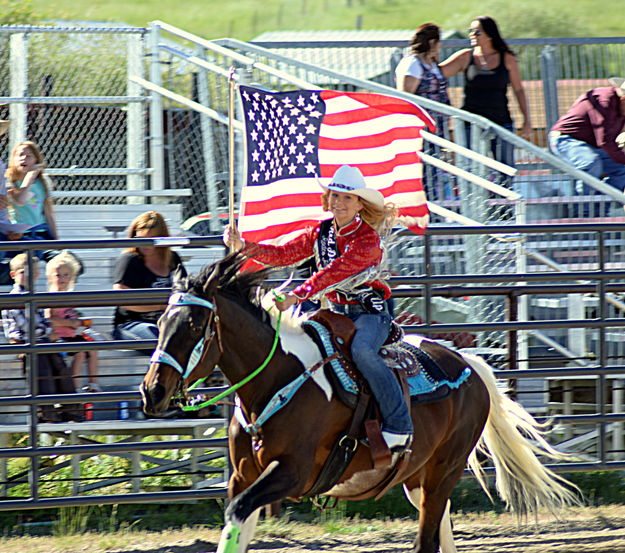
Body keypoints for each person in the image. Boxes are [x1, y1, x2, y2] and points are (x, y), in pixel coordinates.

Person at [224, 165, 413, 453]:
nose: (338, 202)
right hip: (334, 311)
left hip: (369, 314)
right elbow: (284, 254)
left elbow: (334, 273)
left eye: (347, 198)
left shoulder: (367, 241)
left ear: (360, 204)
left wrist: (296, 296)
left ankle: (399, 424)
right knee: (301, 348)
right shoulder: (320, 232)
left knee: (362, 351)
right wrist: (246, 247)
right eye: (335, 196)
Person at [439, 16, 531, 175]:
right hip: (471, 124)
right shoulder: (465, 57)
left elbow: (518, 90)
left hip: (501, 123)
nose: (472, 35)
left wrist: (527, 120)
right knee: (471, 170)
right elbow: (438, 73)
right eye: (470, 31)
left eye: (476, 31)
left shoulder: (507, 59)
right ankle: (475, 200)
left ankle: (504, 200)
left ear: (489, 34)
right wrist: (426, 55)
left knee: (505, 171)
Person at [1, 253, 78, 422]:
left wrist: (48, 332)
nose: (28, 275)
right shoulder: (16, 297)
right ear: (13, 275)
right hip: (24, 342)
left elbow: (40, 321)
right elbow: (28, 326)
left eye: (32, 272)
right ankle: (46, 412)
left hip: (40, 340)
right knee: (42, 368)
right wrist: (48, 331)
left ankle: (70, 409)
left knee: (59, 367)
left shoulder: (32, 295)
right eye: (23, 272)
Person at [112, 210, 187, 351]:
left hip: (169, 320)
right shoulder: (129, 259)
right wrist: (160, 306)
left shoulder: (172, 258)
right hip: (131, 324)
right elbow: (121, 298)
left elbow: (185, 289)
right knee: (160, 338)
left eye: (151, 239)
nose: (145, 245)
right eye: (141, 239)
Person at [549, 77, 625, 215]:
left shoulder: (621, 108)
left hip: (592, 147)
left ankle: (602, 208)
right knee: (590, 162)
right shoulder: (603, 99)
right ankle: (583, 212)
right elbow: (604, 140)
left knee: (622, 169)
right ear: (623, 99)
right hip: (566, 139)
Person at [395, 23, 453, 200]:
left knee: (433, 169)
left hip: (435, 127)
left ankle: (434, 208)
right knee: (423, 170)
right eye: (439, 43)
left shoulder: (431, 64)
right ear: (433, 42)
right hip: (421, 128)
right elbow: (406, 96)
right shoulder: (413, 64)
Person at [46, 251, 101, 393]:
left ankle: (93, 383)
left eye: (66, 275)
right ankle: (74, 387)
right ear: (51, 277)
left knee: (93, 347)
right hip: (58, 336)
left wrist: (81, 323)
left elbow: (71, 316)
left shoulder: (69, 295)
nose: (62, 278)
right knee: (80, 353)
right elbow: (49, 319)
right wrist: (71, 324)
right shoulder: (51, 296)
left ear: (72, 277)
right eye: (58, 275)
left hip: (71, 335)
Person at [5, 141, 59, 242]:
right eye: (20, 155)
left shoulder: (41, 183)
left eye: (28, 156)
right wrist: (30, 176)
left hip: (41, 231)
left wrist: (56, 239)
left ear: (36, 160)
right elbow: (21, 200)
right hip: (21, 234)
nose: (23, 159)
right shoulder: (10, 183)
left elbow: (48, 213)